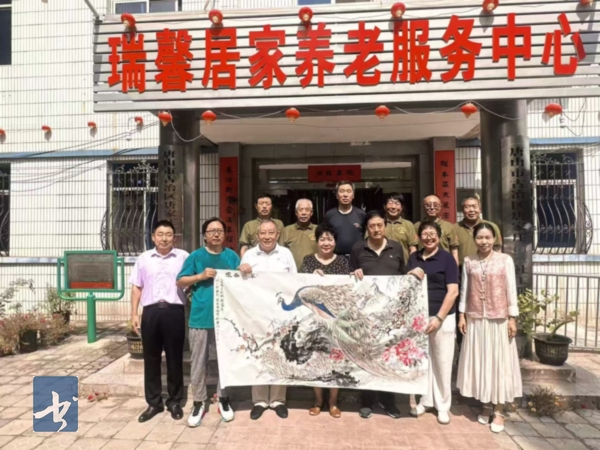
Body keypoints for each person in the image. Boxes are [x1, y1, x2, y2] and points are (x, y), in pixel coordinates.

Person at [457, 223, 522, 434]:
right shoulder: (469, 261)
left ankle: (499, 409)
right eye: (480, 238)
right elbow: (465, 289)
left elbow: (511, 289)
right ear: (474, 239)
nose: (484, 241)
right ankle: (485, 404)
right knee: (482, 362)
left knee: (499, 363)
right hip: (476, 319)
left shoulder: (505, 260)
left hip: (499, 319)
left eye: (487, 237)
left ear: (494, 239)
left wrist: (512, 318)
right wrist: (462, 315)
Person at [176, 217, 241, 427]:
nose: (216, 234)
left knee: (225, 361)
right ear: (205, 235)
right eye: (212, 230)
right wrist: (200, 276)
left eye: (220, 230)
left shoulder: (231, 256)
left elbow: (241, 282)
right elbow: (180, 280)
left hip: (226, 320)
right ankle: (198, 402)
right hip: (200, 317)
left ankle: (224, 398)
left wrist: (245, 270)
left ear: (225, 234)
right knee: (198, 362)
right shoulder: (196, 256)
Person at [129, 220, 189, 423]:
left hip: (174, 312)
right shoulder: (144, 258)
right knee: (151, 359)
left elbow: (191, 282)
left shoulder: (183, 257)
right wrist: (134, 314)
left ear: (174, 237)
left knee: (174, 358)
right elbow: (136, 286)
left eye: (168, 234)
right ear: (153, 237)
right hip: (151, 312)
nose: (164, 238)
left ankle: (174, 401)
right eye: (160, 234)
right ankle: (154, 403)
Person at [238, 219, 297, 420]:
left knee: (281, 354)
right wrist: (242, 270)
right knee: (259, 353)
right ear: (257, 236)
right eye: (263, 233)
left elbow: (294, 281)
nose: (267, 236)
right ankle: (260, 401)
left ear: (277, 235)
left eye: (271, 232)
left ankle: (278, 400)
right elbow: (239, 284)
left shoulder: (286, 254)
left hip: (280, 313)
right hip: (256, 313)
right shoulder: (249, 255)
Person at [350, 210, 405, 420]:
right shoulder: (358, 248)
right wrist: (354, 274)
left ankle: (388, 400)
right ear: (367, 228)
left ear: (385, 226)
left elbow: (403, 275)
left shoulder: (396, 247)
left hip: (390, 315)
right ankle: (367, 400)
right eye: (372, 226)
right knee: (367, 356)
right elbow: (350, 278)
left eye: (379, 225)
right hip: (366, 315)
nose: (376, 229)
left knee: (389, 357)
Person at [406, 220, 459, 425]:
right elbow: (405, 284)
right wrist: (410, 273)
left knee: (442, 361)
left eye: (432, 234)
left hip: (442, 316)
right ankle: (426, 401)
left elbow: (453, 291)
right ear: (419, 237)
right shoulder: (414, 257)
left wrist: (439, 318)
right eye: (425, 234)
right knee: (423, 362)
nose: (429, 238)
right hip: (419, 317)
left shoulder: (447, 258)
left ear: (439, 236)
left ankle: (443, 405)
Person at [299, 222, 350, 419]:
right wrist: (308, 277)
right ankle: (318, 401)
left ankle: (333, 402)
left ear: (335, 242)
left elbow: (347, 289)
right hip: (314, 320)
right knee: (316, 358)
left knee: (335, 359)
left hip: (336, 320)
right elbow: (299, 285)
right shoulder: (308, 261)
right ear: (317, 241)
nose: (326, 243)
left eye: (330, 239)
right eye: (322, 239)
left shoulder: (343, 262)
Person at [455, 196, 503, 348]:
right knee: (465, 313)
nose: (471, 210)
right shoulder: (455, 228)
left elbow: (498, 250)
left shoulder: (490, 226)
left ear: (480, 208)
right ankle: (465, 350)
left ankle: (488, 350)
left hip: (489, 275)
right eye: (467, 207)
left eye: (474, 206)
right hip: (463, 273)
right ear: (462, 210)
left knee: (489, 312)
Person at [414, 195, 459, 265]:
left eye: (435, 205)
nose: (432, 208)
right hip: (423, 263)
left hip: (444, 264)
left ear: (440, 206)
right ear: (423, 207)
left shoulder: (449, 226)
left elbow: (454, 250)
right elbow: (413, 248)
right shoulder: (416, 226)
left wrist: (455, 267)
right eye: (428, 205)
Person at [325, 181, 366, 257]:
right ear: (337, 195)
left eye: (348, 191)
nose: (345, 195)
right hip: (335, 257)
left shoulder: (361, 214)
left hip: (357, 257)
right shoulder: (329, 215)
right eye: (342, 191)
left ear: (353, 195)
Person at [239, 193, 285, 257]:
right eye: (261, 203)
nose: (264, 206)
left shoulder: (278, 224)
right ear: (256, 206)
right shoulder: (248, 225)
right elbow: (244, 247)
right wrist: (244, 260)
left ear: (272, 206)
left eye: (267, 204)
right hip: (254, 258)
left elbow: (282, 245)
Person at [280, 198, 318, 270]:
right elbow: (280, 253)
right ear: (296, 212)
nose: (304, 213)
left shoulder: (318, 230)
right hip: (292, 272)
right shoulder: (287, 230)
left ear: (311, 213)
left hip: (314, 272)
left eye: (307, 210)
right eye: (301, 210)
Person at [382, 192, 418, 264]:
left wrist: (411, 264)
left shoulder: (408, 225)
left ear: (402, 207)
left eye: (397, 203)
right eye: (390, 203)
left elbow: (412, 248)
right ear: (384, 206)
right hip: (382, 266)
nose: (393, 207)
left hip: (403, 266)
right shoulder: (378, 223)